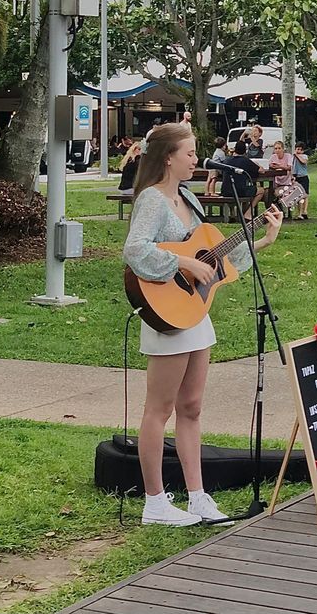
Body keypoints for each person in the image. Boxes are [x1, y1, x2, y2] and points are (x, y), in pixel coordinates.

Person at [123, 123, 283, 527]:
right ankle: (154, 502)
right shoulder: (152, 201)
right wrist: (183, 261)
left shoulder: (189, 199)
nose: (197, 160)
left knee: (191, 407)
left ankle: (197, 496)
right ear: (168, 158)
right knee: (158, 410)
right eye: (191, 153)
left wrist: (263, 240)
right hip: (167, 311)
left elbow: (214, 257)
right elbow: (135, 250)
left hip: (195, 311)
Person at [221, 140, 265, 220]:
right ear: (245, 151)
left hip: (225, 191)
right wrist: (258, 165)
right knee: (261, 190)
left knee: (232, 188)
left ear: (235, 149)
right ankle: (248, 213)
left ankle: (233, 213)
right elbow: (261, 170)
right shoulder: (245, 161)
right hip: (239, 191)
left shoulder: (227, 160)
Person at [292, 141, 310, 220]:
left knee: (305, 195)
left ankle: (305, 211)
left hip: (304, 177)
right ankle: (299, 213)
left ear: (303, 151)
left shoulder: (304, 156)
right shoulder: (293, 158)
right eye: (297, 149)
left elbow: (303, 162)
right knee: (297, 196)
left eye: (300, 149)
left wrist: (297, 155)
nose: (298, 151)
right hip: (296, 177)